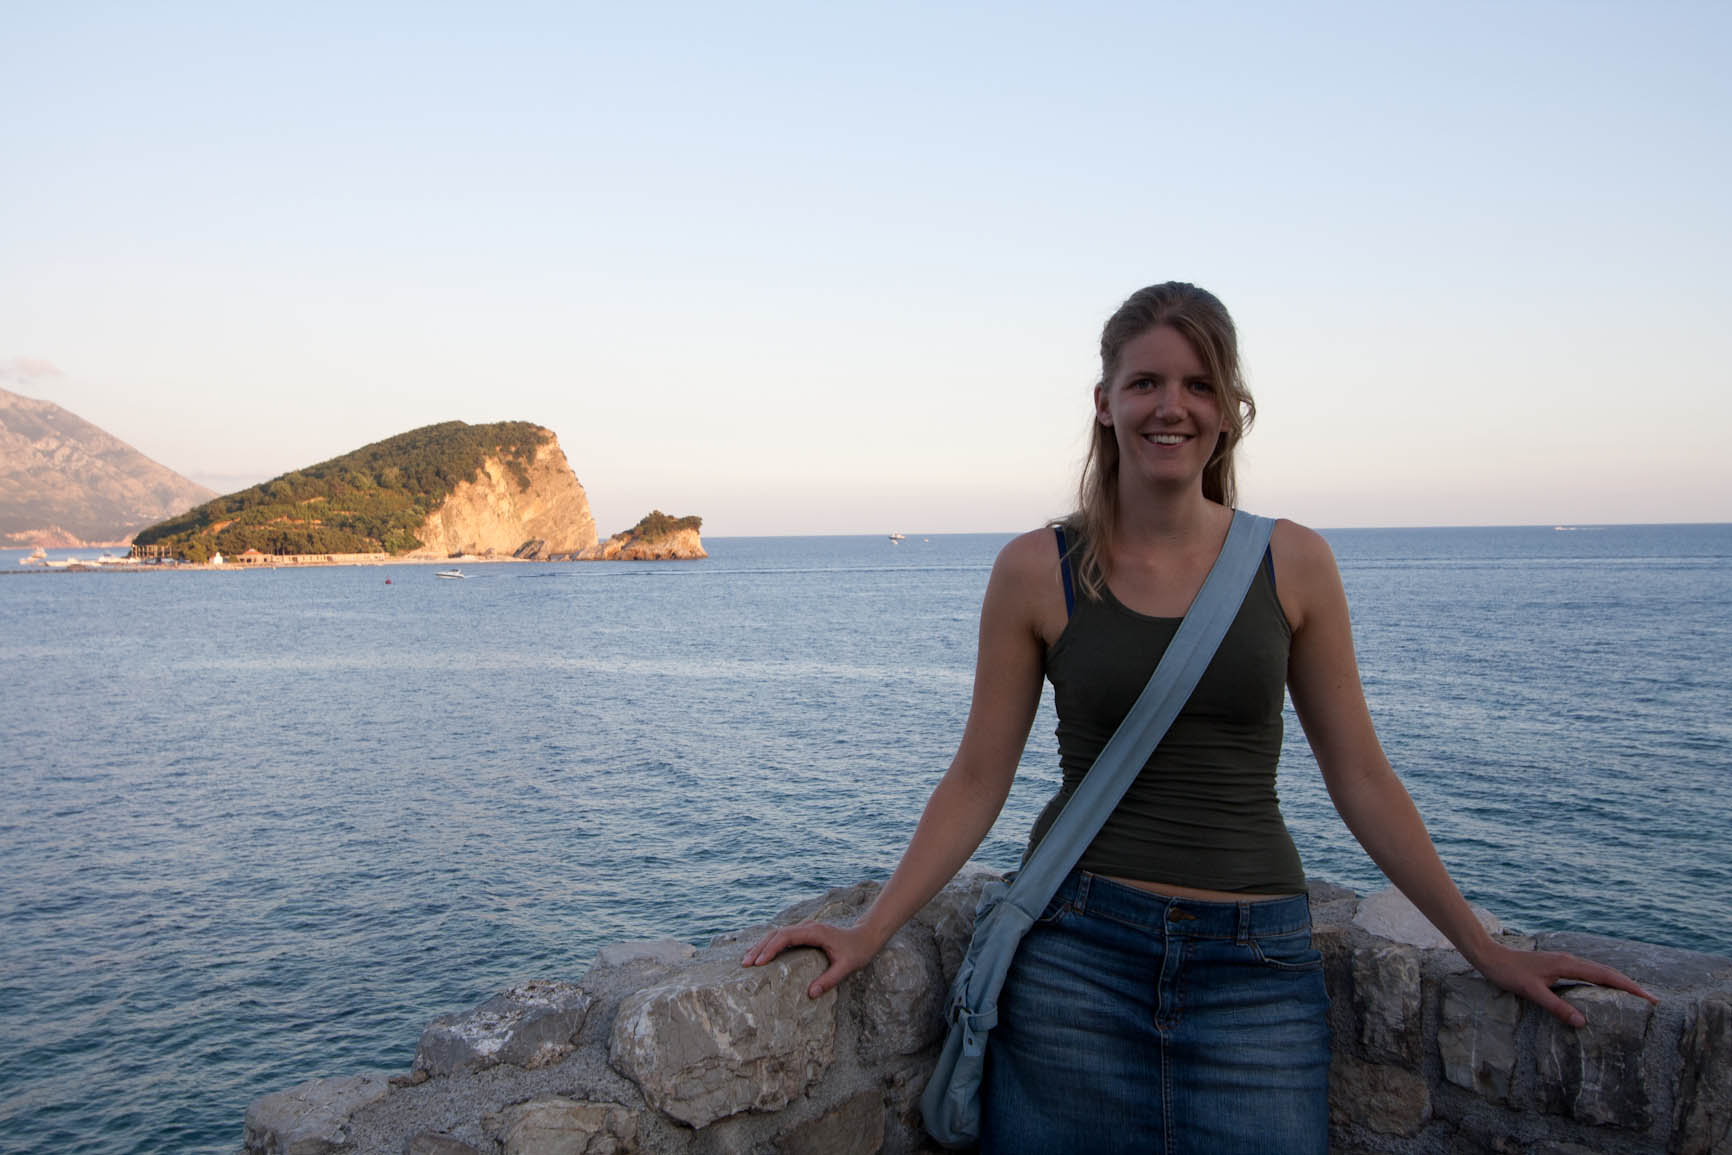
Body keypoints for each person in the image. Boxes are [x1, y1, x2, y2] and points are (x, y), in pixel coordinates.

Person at [742, 282, 1654, 1153]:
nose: (1170, 406)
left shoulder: (1294, 562)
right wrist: (870, 928)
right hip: (1075, 959)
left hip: (1256, 972)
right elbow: (978, 778)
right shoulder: (1035, 570)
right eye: (1145, 382)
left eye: (1198, 384)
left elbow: (1362, 777)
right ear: (1105, 402)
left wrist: (1484, 948)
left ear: (1230, 410)